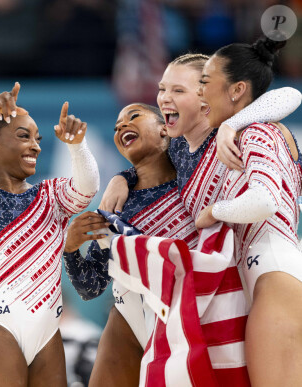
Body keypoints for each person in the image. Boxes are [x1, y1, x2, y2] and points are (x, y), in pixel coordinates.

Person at [98, 53, 301, 385]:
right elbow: (150, 159)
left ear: (207, 95)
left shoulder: (241, 130)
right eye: (162, 89)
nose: (164, 98)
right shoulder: (180, 150)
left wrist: (233, 124)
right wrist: (121, 178)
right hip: (237, 289)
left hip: (272, 273)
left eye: (178, 90)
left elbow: (290, 95)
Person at [0, 82, 99, 386]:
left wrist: (77, 145)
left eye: (38, 139)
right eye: (24, 136)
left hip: (48, 333)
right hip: (0, 327)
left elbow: (86, 188)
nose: (36, 145)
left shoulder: (50, 196)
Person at [63, 102, 200, 386]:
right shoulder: (112, 209)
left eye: (134, 116)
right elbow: (91, 287)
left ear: (165, 128)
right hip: (129, 314)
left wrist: (120, 177)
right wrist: (71, 248)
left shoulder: (193, 178)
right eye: (116, 126)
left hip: (187, 311)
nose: (122, 126)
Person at [195, 36, 302, 386]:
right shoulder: (243, 133)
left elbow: (264, 200)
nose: (199, 94)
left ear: (237, 89)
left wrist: (215, 211)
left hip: (274, 276)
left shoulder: (255, 131)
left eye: (205, 82)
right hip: (271, 274)